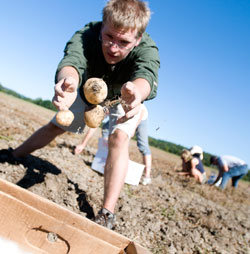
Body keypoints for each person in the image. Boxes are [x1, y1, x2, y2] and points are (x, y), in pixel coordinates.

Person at [1, 0, 160, 229]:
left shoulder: (147, 48)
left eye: (123, 42)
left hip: (126, 96)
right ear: (103, 26)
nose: (113, 48)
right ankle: (13, 154)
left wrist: (137, 93)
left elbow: (146, 75)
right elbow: (71, 61)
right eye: (109, 37)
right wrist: (69, 82)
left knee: (119, 139)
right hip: (86, 89)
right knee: (56, 125)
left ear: (137, 40)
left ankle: (107, 213)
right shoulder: (87, 33)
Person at [75, 104, 152, 185]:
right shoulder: (105, 108)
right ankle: (107, 159)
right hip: (121, 115)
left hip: (140, 116)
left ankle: (147, 176)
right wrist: (83, 144)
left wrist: (133, 127)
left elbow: (141, 110)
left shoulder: (122, 103)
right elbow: (94, 126)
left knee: (142, 146)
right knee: (105, 129)